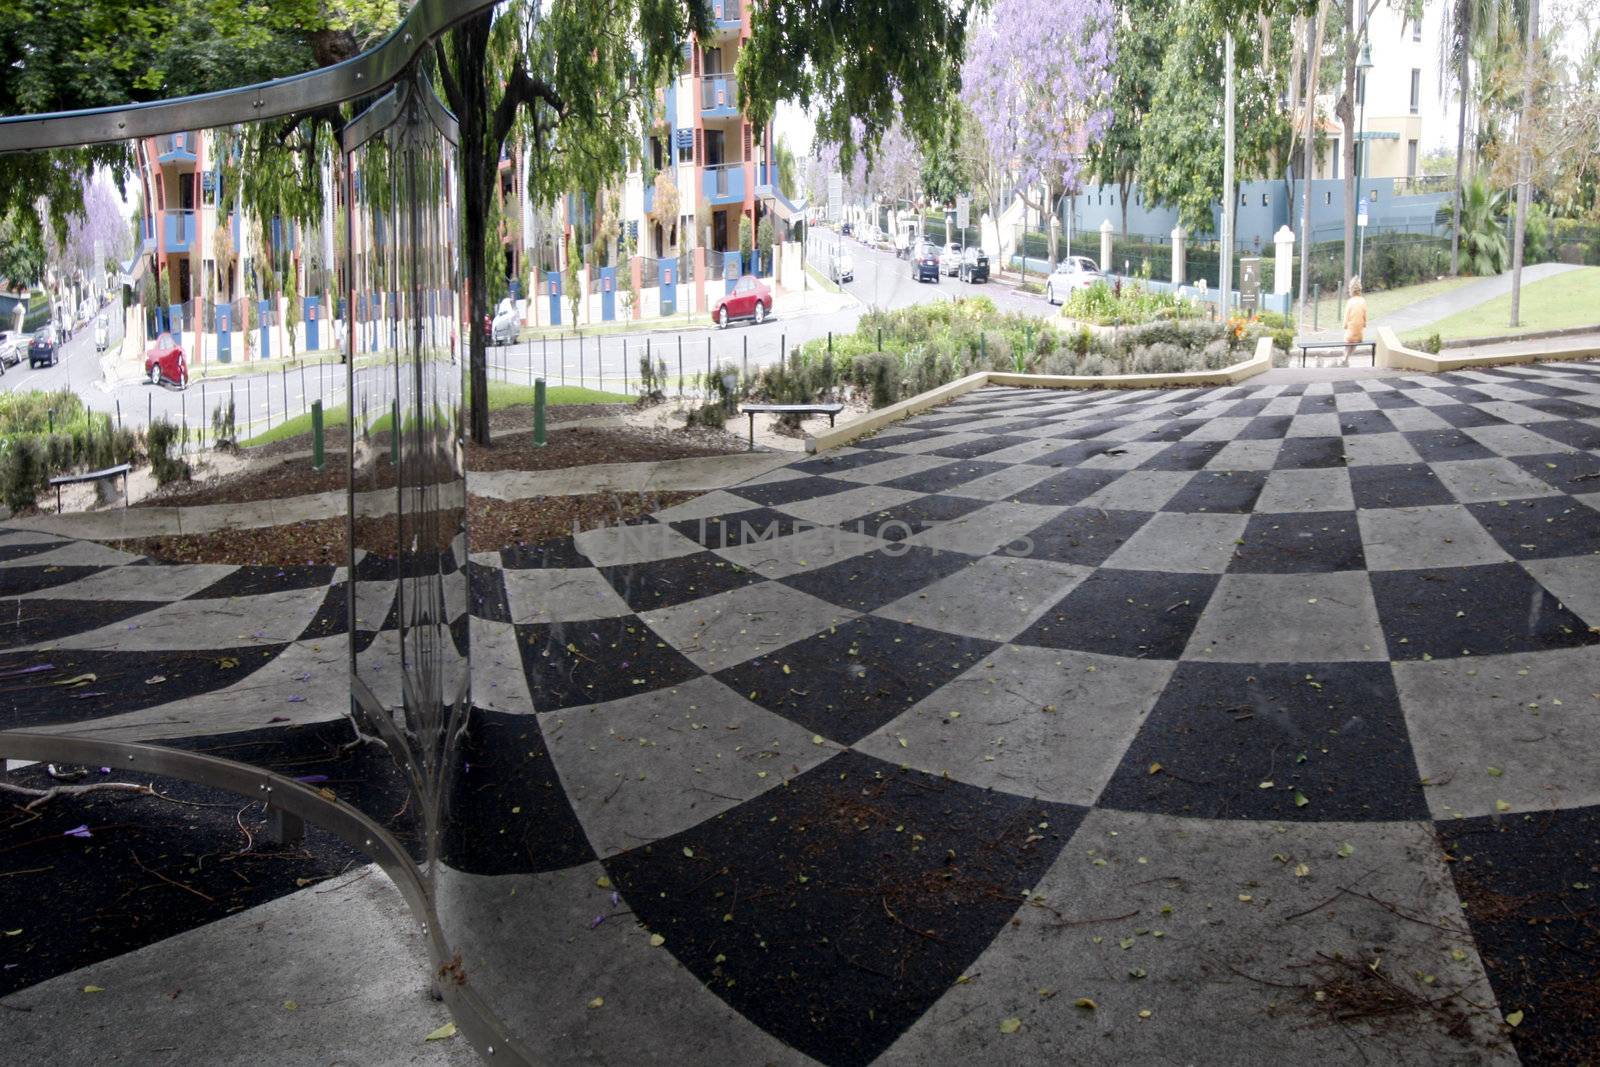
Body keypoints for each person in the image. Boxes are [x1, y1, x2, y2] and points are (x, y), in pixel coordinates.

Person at [1343, 276, 1368, 346]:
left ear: (1351, 289)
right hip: (1360, 336)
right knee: (1355, 339)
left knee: (1348, 338)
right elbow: (1365, 323)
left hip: (1349, 337)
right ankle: (1347, 356)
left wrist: (1346, 327)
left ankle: (1345, 357)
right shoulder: (1363, 301)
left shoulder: (1350, 302)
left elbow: (1345, 324)